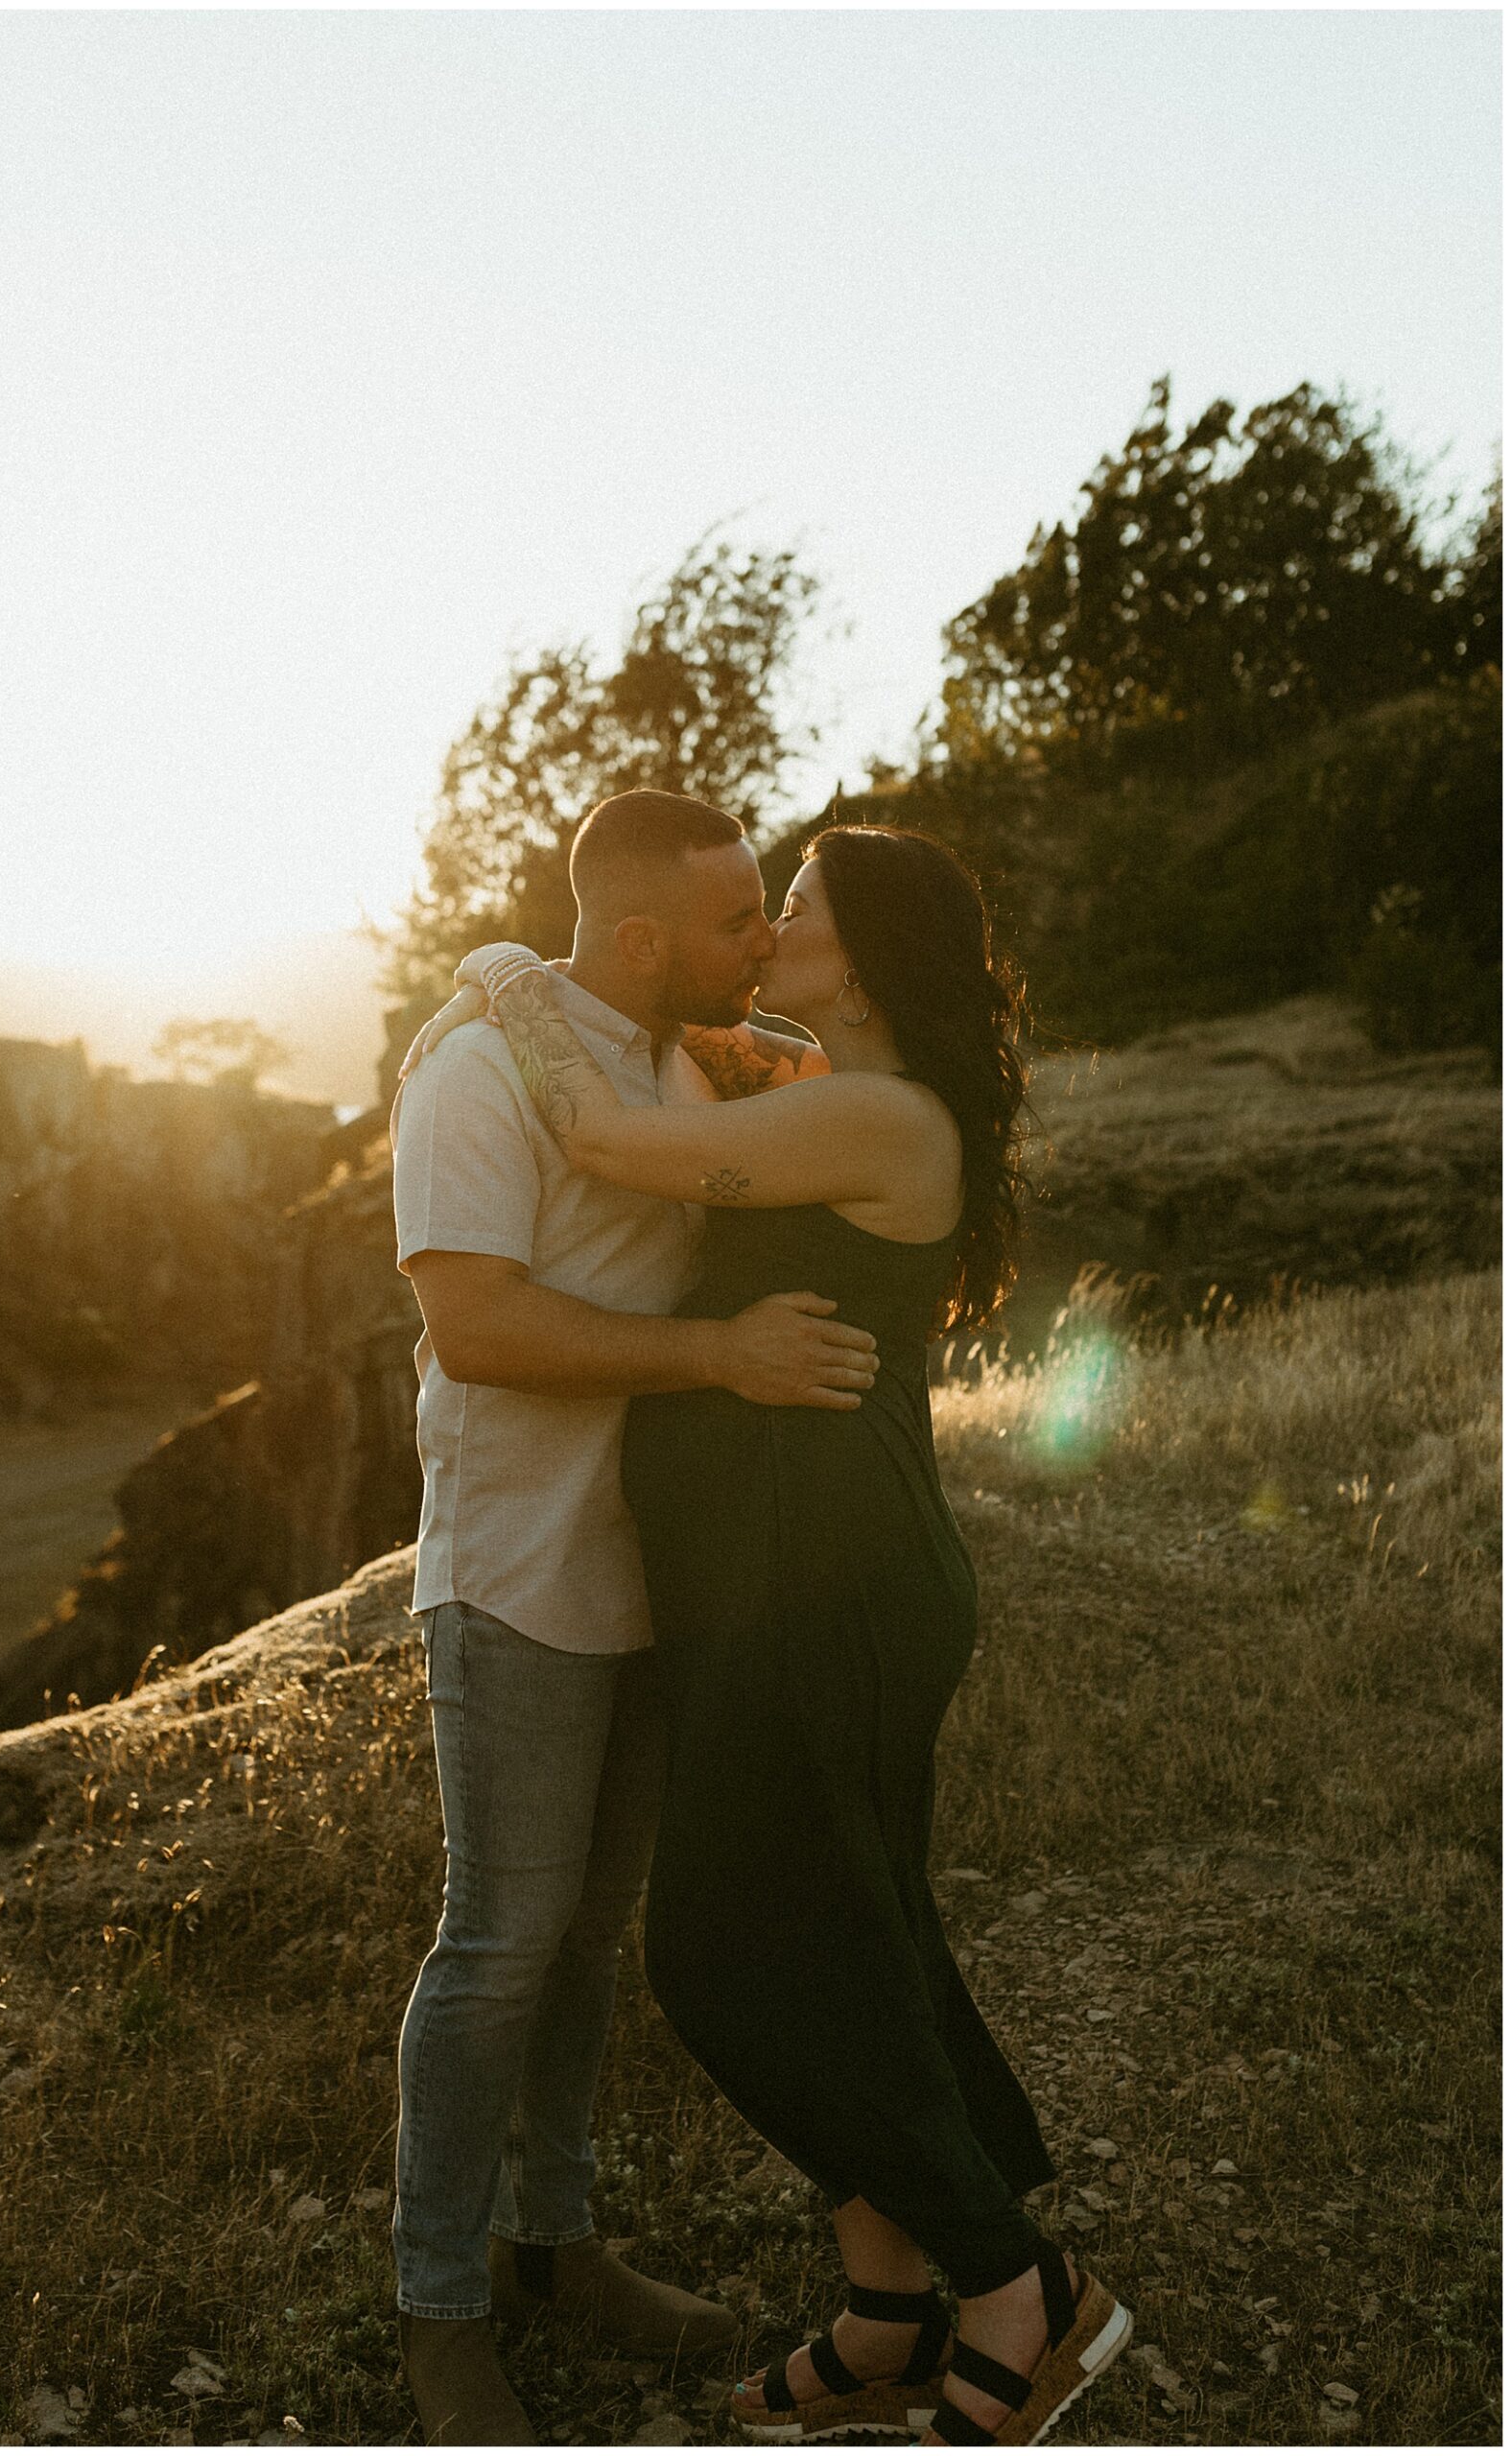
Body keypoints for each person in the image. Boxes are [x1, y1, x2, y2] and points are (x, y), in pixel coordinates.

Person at [436, 822, 1133, 2449]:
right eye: (757, 910)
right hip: (787, 1578)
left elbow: (602, 1133)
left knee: (724, 1958)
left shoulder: (879, 1116)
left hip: (831, 1588)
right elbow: (697, 1048)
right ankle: (892, 2311)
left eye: (793, 910)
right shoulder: (827, 1083)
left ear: (867, 954)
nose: (767, 932)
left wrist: (492, 974)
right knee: (857, 1936)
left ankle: (1016, 2285)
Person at [388, 789, 884, 2446]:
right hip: (519, 1568)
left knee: (592, 1936)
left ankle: (554, 2246)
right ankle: (439, 2305)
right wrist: (718, 1357)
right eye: (740, 919)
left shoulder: (692, 1052)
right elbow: (474, 1326)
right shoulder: (475, 1074)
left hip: (652, 1569)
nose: (765, 941)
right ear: (645, 931)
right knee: (500, 1941)